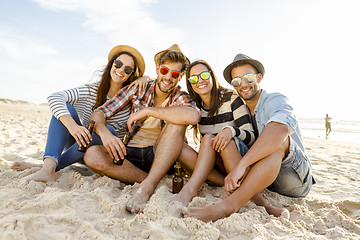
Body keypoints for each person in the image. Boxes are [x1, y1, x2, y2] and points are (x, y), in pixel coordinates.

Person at [182, 53, 316, 222]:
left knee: (277, 139)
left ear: (259, 77)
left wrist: (241, 165)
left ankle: (228, 206)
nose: (243, 84)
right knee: (220, 141)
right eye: (237, 81)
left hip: (293, 178)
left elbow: (281, 129)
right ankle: (258, 201)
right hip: (264, 180)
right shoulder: (238, 107)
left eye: (248, 78)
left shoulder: (274, 99)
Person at [84, 44, 200, 213]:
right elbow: (99, 113)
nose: (168, 77)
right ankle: (153, 181)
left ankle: (146, 187)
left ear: (180, 76)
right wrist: (105, 134)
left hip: (160, 155)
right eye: (164, 71)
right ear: (158, 68)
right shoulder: (140, 88)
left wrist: (148, 110)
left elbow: (192, 116)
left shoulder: (180, 97)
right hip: (131, 152)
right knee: (92, 155)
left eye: (174, 74)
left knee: (177, 121)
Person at [11, 45, 147, 182]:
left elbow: (158, 86)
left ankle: (47, 167)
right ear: (111, 64)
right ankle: (47, 169)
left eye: (127, 69)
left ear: (131, 74)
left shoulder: (131, 96)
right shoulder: (92, 90)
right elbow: (55, 97)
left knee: (107, 129)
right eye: (118, 64)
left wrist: (145, 78)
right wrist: (73, 127)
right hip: (78, 146)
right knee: (66, 108)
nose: (121, 70)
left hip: (102, 152)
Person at [171, 59, 255, 205]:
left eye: (203, 75)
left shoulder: (231, 98)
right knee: (179, 147)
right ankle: (225, 182)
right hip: (216, 166)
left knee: (213, 139)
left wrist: (231, 131)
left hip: (239, 163)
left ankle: (191, 189)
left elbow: (252, 137)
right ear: (190, 84)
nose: (200, 81)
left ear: (211, 76)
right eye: (193, 78)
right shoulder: (197, 108)